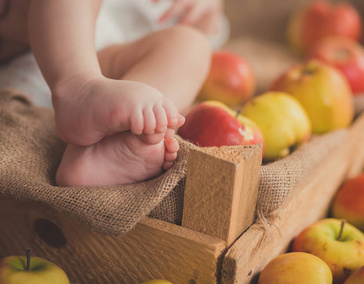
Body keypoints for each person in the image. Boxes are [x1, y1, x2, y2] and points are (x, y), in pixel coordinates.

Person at [0, 0, 227, 186]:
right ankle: (78, 89)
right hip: (42, 56)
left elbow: (208, 31)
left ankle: (112, 147)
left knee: (191, 44)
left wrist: (208, 13)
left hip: (107, 72)